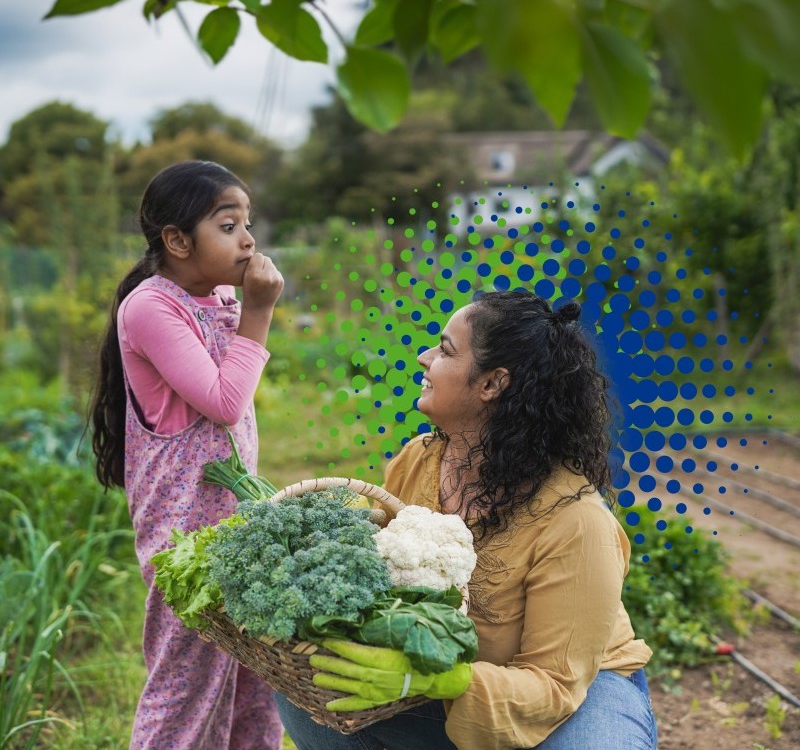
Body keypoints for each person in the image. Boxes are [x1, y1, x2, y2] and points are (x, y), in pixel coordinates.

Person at [277, 290, 658, 750]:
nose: (424, 357)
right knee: (315, 704)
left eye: (445, 350)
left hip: (579, 686)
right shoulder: (418, 461)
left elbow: (556, 682)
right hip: (442, 670)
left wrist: (449, 681)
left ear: (492, 384)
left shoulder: (576, 520)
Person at [90, 160, 285, 750]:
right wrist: (259, 313)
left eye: (247, 223)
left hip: (236, 528)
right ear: (177, 241)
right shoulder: (151, 308)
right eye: (229, 225)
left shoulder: (220, 295)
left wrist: (241, 307)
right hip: (187, 547)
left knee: (256, 683)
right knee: (186, 690)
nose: (248, 239)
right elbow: (225, 402)